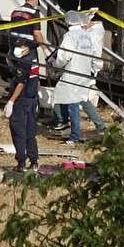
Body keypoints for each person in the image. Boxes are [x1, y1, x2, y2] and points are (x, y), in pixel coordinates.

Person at [49, 11, 106, 146]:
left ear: (67, 22)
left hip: (72, 73)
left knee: (72, 104)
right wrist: (94, 69)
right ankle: (100, 126)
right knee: (83, 99)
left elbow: (64, 56)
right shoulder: (87, 35)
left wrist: (54, 64)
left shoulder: (69, 36)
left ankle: (73, 135)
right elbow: (94, 54)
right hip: (85, 72)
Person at [2, 38, 41, 172]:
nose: (16, 49)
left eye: (20, 46)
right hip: (31, 100)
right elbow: (37, 81)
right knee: (31, 132)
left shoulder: (24, 63)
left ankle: (21, 162)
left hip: (22, 101)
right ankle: (34, 160)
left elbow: (21, 83)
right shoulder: (34, 61)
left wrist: (11, 101)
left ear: (27, 48)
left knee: (18, 132)